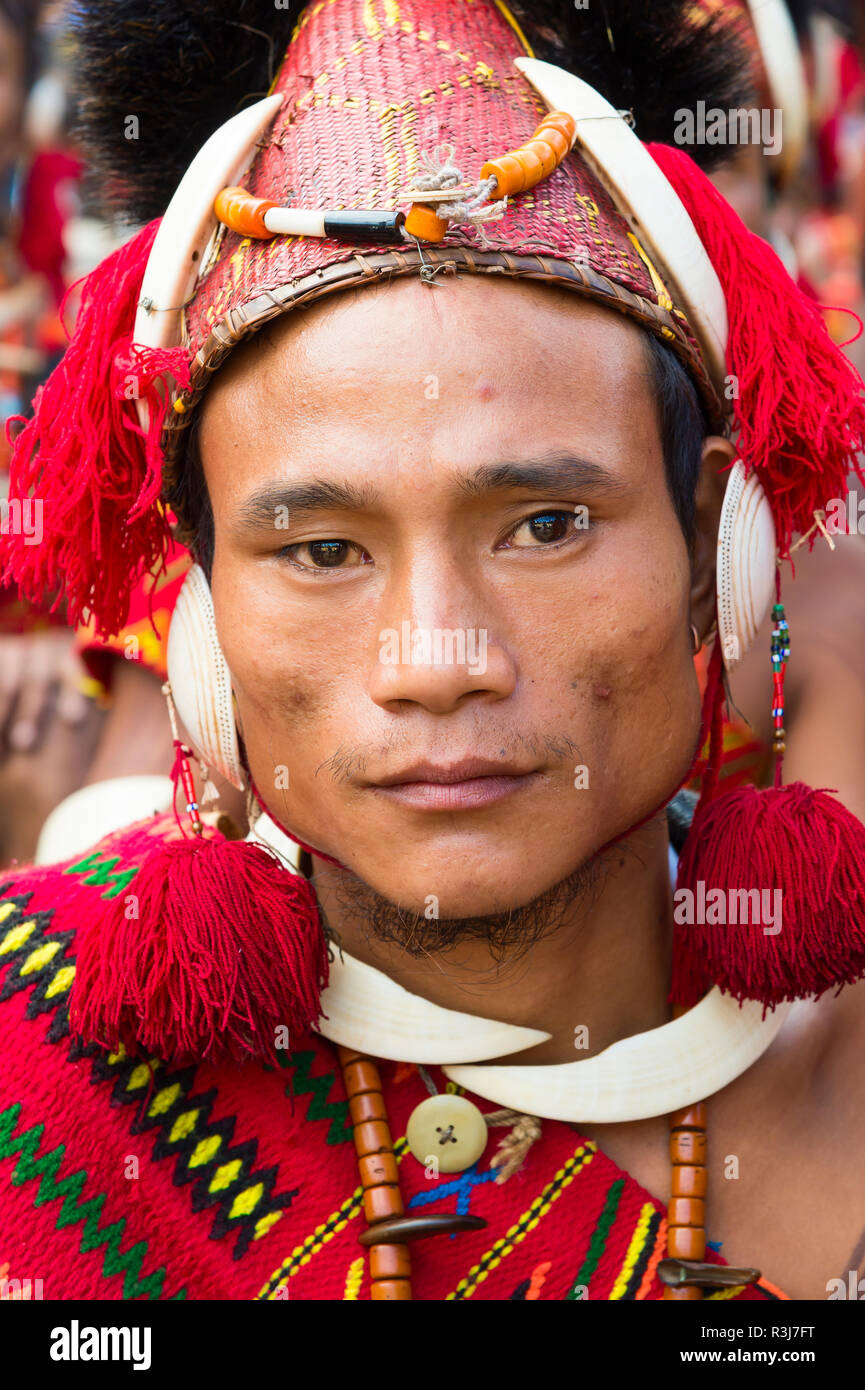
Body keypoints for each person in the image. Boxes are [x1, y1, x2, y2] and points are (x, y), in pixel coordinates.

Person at [2, 0, 865, 1304]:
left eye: (542, 523)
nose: (434, 659)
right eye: (320, 549)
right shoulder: (35, 1068)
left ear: (703, 541)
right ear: (202, 580)